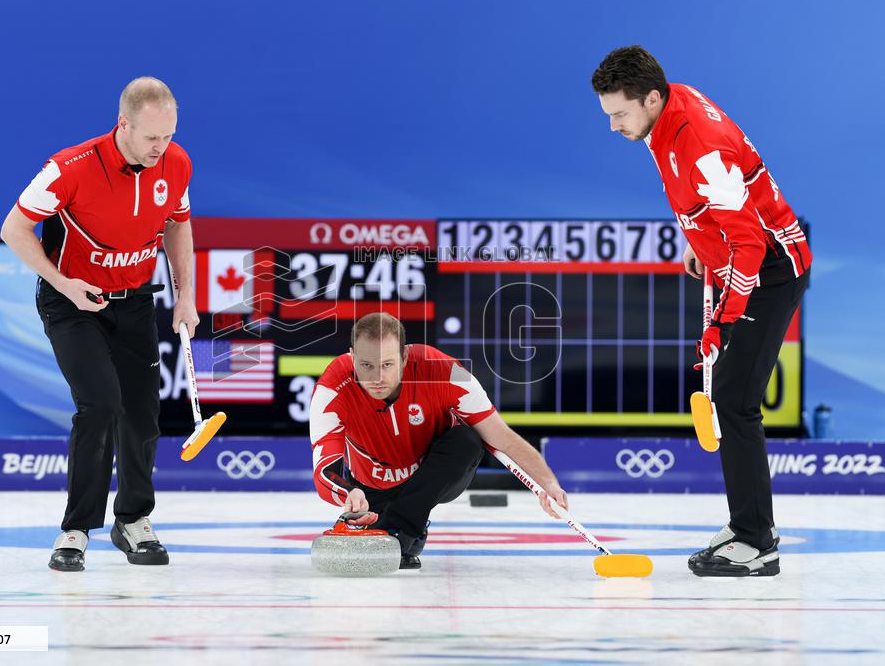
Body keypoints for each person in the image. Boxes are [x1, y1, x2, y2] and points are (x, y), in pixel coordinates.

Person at [591, 46, 812, 577]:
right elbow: (713, 206)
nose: (615, 126)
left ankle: (757, 543)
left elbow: (750, 246)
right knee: (733, 402)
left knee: (734, 402)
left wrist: (722, 323)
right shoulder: (666, 108)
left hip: (772, 270)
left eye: (620, 114)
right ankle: (747, 525)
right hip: (742, 255)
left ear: (650, 98)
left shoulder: (701, 146)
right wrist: (698, 238)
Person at [0, 77, 199, 571]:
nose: (162, 147)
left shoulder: (175, 164)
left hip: (133, 303)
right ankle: (75, 528)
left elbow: (178, 223)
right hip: (72, 303)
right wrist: (62, 282)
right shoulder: (69, 168)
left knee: (142, 413)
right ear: (123, 124)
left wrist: (186, 296)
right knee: (101, 405)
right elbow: (14, 228)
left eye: (169, 135)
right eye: (152, 137)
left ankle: (132, 520)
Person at [309, 312, 568, 569]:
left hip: (432, 476)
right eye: (366, 365)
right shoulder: (332, 387)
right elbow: (325, 468)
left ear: (405, 356)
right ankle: (392, 523)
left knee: (468, 439)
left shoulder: (446, 370)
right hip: (369, 488)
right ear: (352, 356)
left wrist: (549, 484)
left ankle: (404, 528)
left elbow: (503, 437)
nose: (377, 377)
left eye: (387, 365)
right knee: (373, 517)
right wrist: (348, 492)